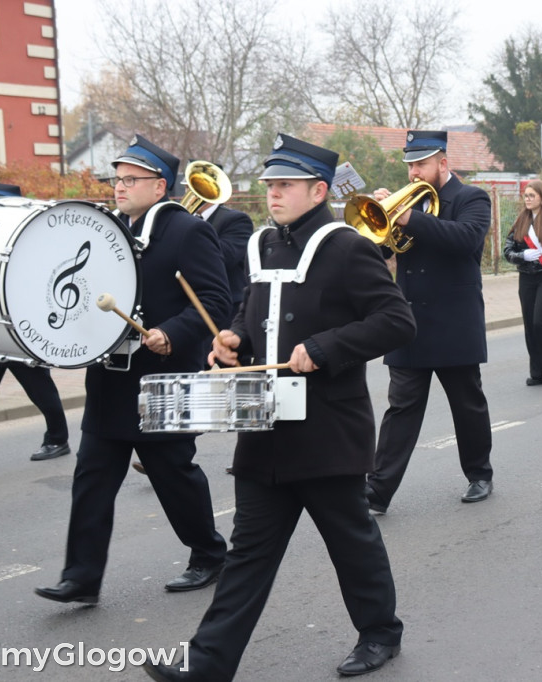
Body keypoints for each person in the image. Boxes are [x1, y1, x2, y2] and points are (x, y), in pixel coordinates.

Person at [143, 135, 415, 682]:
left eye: (285, 185)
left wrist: (323, 348)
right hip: (263, 426)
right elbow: (254, 312)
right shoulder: (263, 245)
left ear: (318, 190)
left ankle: (380, 632)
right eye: (269, 185)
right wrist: (234, 339)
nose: (273, 194)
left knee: (350, 542)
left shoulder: (347, 247)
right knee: (248, 554)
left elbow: (395, 321)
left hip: (327, 430)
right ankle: (208, 664)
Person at [35, 135, 231, 605]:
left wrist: (172, 332)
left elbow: (217, 301)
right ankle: (81, 577)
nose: (118, 187)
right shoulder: (108, 231)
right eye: (116, 179)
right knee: (92, 476)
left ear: (160, 185)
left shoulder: (186, 231)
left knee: (173, 474)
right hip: (110, 377)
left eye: (130, 180)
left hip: (162, 378)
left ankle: (208, 553)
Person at [366, 130, 494, 514]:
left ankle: (479, 474)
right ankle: (377, 492)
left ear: (442, 164)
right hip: (410, 321)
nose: (413, 174)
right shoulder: (412, 201)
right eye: (409, 166)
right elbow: (383, 249)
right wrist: (381, 222)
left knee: (467, 405)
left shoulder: (471, 198)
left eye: (420, 165)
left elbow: (466, 240)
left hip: (455, 322)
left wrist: (409, 217)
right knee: (400, 408)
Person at [132, 168, 254, 477]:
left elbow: (228, 255)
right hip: (189, 315)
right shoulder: (168, 222)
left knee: (238, 385)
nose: (194, 192)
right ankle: (165, 449)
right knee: (190, 384)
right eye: (192, 185)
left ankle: (252, 452)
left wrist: (191, 231)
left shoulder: (234, 221)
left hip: (225, 316)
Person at [0, 182, 71, 461]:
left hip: (21, 334)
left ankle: (58, 438)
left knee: (41, 391)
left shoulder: (34, 240)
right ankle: (57, 437)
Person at [503, 179, 542, 387]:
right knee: (530, 326)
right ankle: (537, 371)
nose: (528, 199)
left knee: (541, 324)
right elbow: (507, 251)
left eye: (532, 195)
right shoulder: (520, 221)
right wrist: (522, 256)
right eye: (526, 195)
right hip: (526, 279)